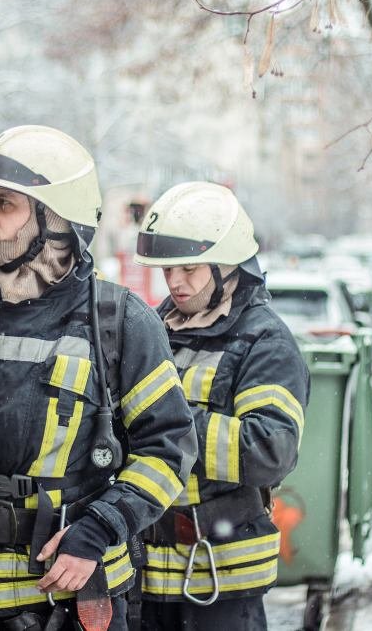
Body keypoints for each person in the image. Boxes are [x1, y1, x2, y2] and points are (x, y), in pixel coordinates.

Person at [0, 125, 197, 631]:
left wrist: (99, 529)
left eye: (5, 203)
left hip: (73, 596)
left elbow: (169, 451)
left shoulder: (120, 322)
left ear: (54, 222)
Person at [132, 182, 309, 631]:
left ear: (228, 265)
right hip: (145, 578)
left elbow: (270, 450)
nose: (175, 282)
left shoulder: (265, 342)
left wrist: (165, 423)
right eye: (168, 270)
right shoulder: (152, 330)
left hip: (221, 579)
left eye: (189, 268)